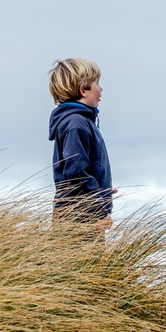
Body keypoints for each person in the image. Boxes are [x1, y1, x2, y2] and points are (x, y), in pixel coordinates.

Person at [47, 58, 114, 231]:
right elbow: (76, 173)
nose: (101, 88)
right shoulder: (76, 123)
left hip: (82, 213)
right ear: (84, 90)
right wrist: (99, 210)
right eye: (97, 83)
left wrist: (104, 187)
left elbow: (84, 167)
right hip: (79, 216)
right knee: (83, 259)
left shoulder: (81, 122)